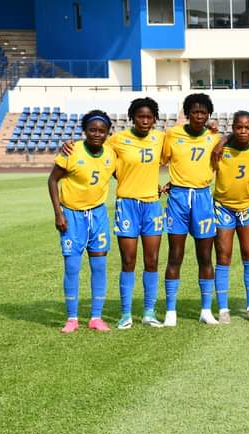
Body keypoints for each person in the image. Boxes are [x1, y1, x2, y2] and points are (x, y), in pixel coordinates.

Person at [62, 98, 166, 329]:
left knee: (152, 260)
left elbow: (181, 157)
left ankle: (149, 312)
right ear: (132, 118)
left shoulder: (161, 138)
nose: (145, 121)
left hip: (152, 204)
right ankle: (126, 313)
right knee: (128, 260)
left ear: (155, 119)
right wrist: (69, 144)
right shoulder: (117, 140)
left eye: (149, 117)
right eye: (140, 116)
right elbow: (94, 148)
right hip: (127, 204)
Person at [48, 110, 116, 333]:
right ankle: (72, 318)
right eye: (92, 130)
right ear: (84, 131)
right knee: (72, 267)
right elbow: (52, 180)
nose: (97, 134)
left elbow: (127, 174)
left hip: (98, 215)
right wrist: (58, 213)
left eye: (101, 131)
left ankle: (96, 317)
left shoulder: (111, 153)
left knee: (99, 266)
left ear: (107, 133)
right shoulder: (72, 150)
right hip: (72, 215)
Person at [161, 93, 220, 327]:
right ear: (187, 114)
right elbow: (160, 160)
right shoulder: (172, 135)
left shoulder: (213, 137)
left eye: (203, 112)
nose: (199, 116)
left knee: (205, 256)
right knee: (175, 255)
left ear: (208, 115)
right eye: (195, 112)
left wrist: (221, 135)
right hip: (178, 197)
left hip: (203, 198)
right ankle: (170, 311)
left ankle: (206, 310)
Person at [211, 111, 249, 323]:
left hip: (248, 207)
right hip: (223, 207)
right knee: (223, 256)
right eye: (239, 127)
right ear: (232, 128)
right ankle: (223, 309)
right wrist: (222, 140)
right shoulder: (221, 149)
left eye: (247, 127)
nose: (243, 131)